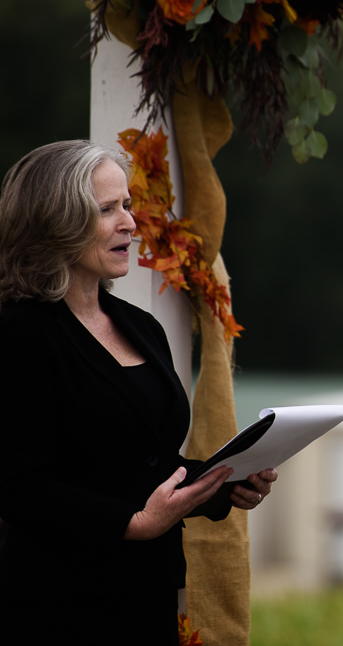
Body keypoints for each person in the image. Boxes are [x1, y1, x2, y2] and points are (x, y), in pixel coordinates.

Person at [0, 140, 276, 643]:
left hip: (147, 594)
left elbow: (143, 460)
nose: (130, 222)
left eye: (127, 205)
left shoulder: (140, 326)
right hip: (55, 603)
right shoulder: (18, 334)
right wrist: (133, 522)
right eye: (107, 210)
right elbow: (17, 486)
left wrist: (222, 481)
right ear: (55, 223)